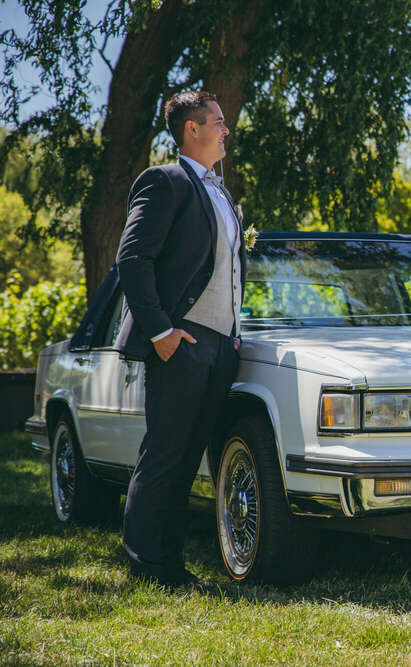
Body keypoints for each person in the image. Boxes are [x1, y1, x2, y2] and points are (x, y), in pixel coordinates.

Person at [115, 91, 246, 586]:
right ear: (192, 129)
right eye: (217, 121)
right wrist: (161, 332)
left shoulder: (221, 192)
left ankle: (170, 564)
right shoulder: (164, 181)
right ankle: (147, 564)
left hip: (219, 346)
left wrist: (233, 335)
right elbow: (133, 259)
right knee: (166, 452)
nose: (225, 129)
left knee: (189, 455)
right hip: (179, 343)